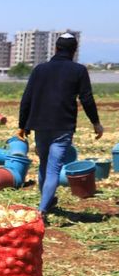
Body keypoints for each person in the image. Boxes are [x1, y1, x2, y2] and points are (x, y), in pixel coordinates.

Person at [17, 33, 103, 220]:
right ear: (74, 51)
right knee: (54, 169)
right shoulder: (79, 70)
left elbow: (26, 99)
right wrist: (96, 123)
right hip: (63, 126)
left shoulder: (40, 69)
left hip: (40, 124)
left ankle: (46, 202)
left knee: (44, 165)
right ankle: (42, 210)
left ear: (55, 48)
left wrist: (22, 125)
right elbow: (86, 99)